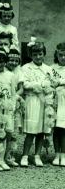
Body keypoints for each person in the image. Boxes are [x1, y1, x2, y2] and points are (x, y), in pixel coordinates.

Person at [20, 39, 55, 167]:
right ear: (31, 55)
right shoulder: (26, 68)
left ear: (44, 54)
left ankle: (37, 155)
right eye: (35, 54)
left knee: (41, 130)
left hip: (45, 102)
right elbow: (25, 84)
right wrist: (38, 85)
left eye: (40, 54)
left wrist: (48, 88)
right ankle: (25, 155)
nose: (38, 56)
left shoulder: (48, 69)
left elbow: (52, 83)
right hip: (32, 100)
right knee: (31, 130)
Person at [51, 43, 65, 166]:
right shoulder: (52, 68)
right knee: (56, 128)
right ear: (57, 55)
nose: (63, 57)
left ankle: (63, 154)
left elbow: (57, 82)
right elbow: (50, 82)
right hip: (55, 100)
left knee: (64, 128)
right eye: (61, 55)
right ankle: (56, 154)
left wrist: (60, 82)